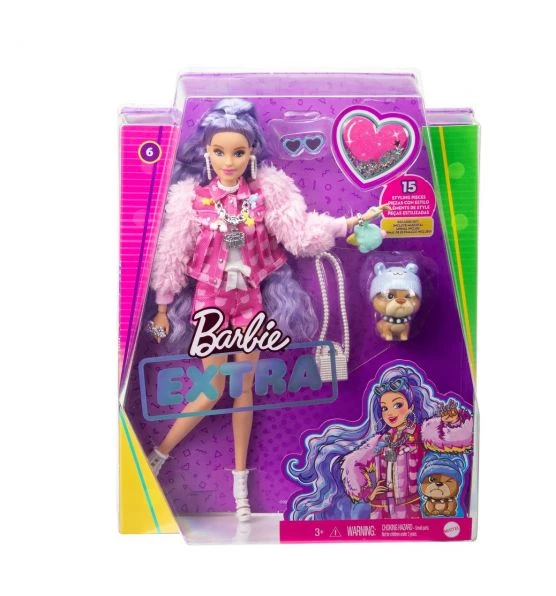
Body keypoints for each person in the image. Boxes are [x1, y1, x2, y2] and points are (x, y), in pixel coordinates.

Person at [145, 98, 383, 521]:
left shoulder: (263, 196)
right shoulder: (193, 200)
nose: (228, 161)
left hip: (250, 301)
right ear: (206, 152)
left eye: (237, 152)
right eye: (220, 152)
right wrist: (163, 305)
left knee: (245, 389)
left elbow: (299, 231)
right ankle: (158, 455)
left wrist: (346, 224)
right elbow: (172, 252)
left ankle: (240, 486)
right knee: (212, 387)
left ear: (251, 152)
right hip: (211, 301)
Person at [286, 364, 473, 520]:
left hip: (412, 509)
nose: (390, 413)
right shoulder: (380, 441)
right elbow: (352, 463)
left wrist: (455, 420)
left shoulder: (422, 432)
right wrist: (367, 492)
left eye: (397, 405)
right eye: (384, 408)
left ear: (410, 407)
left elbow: (456, 436)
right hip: (381, 511)